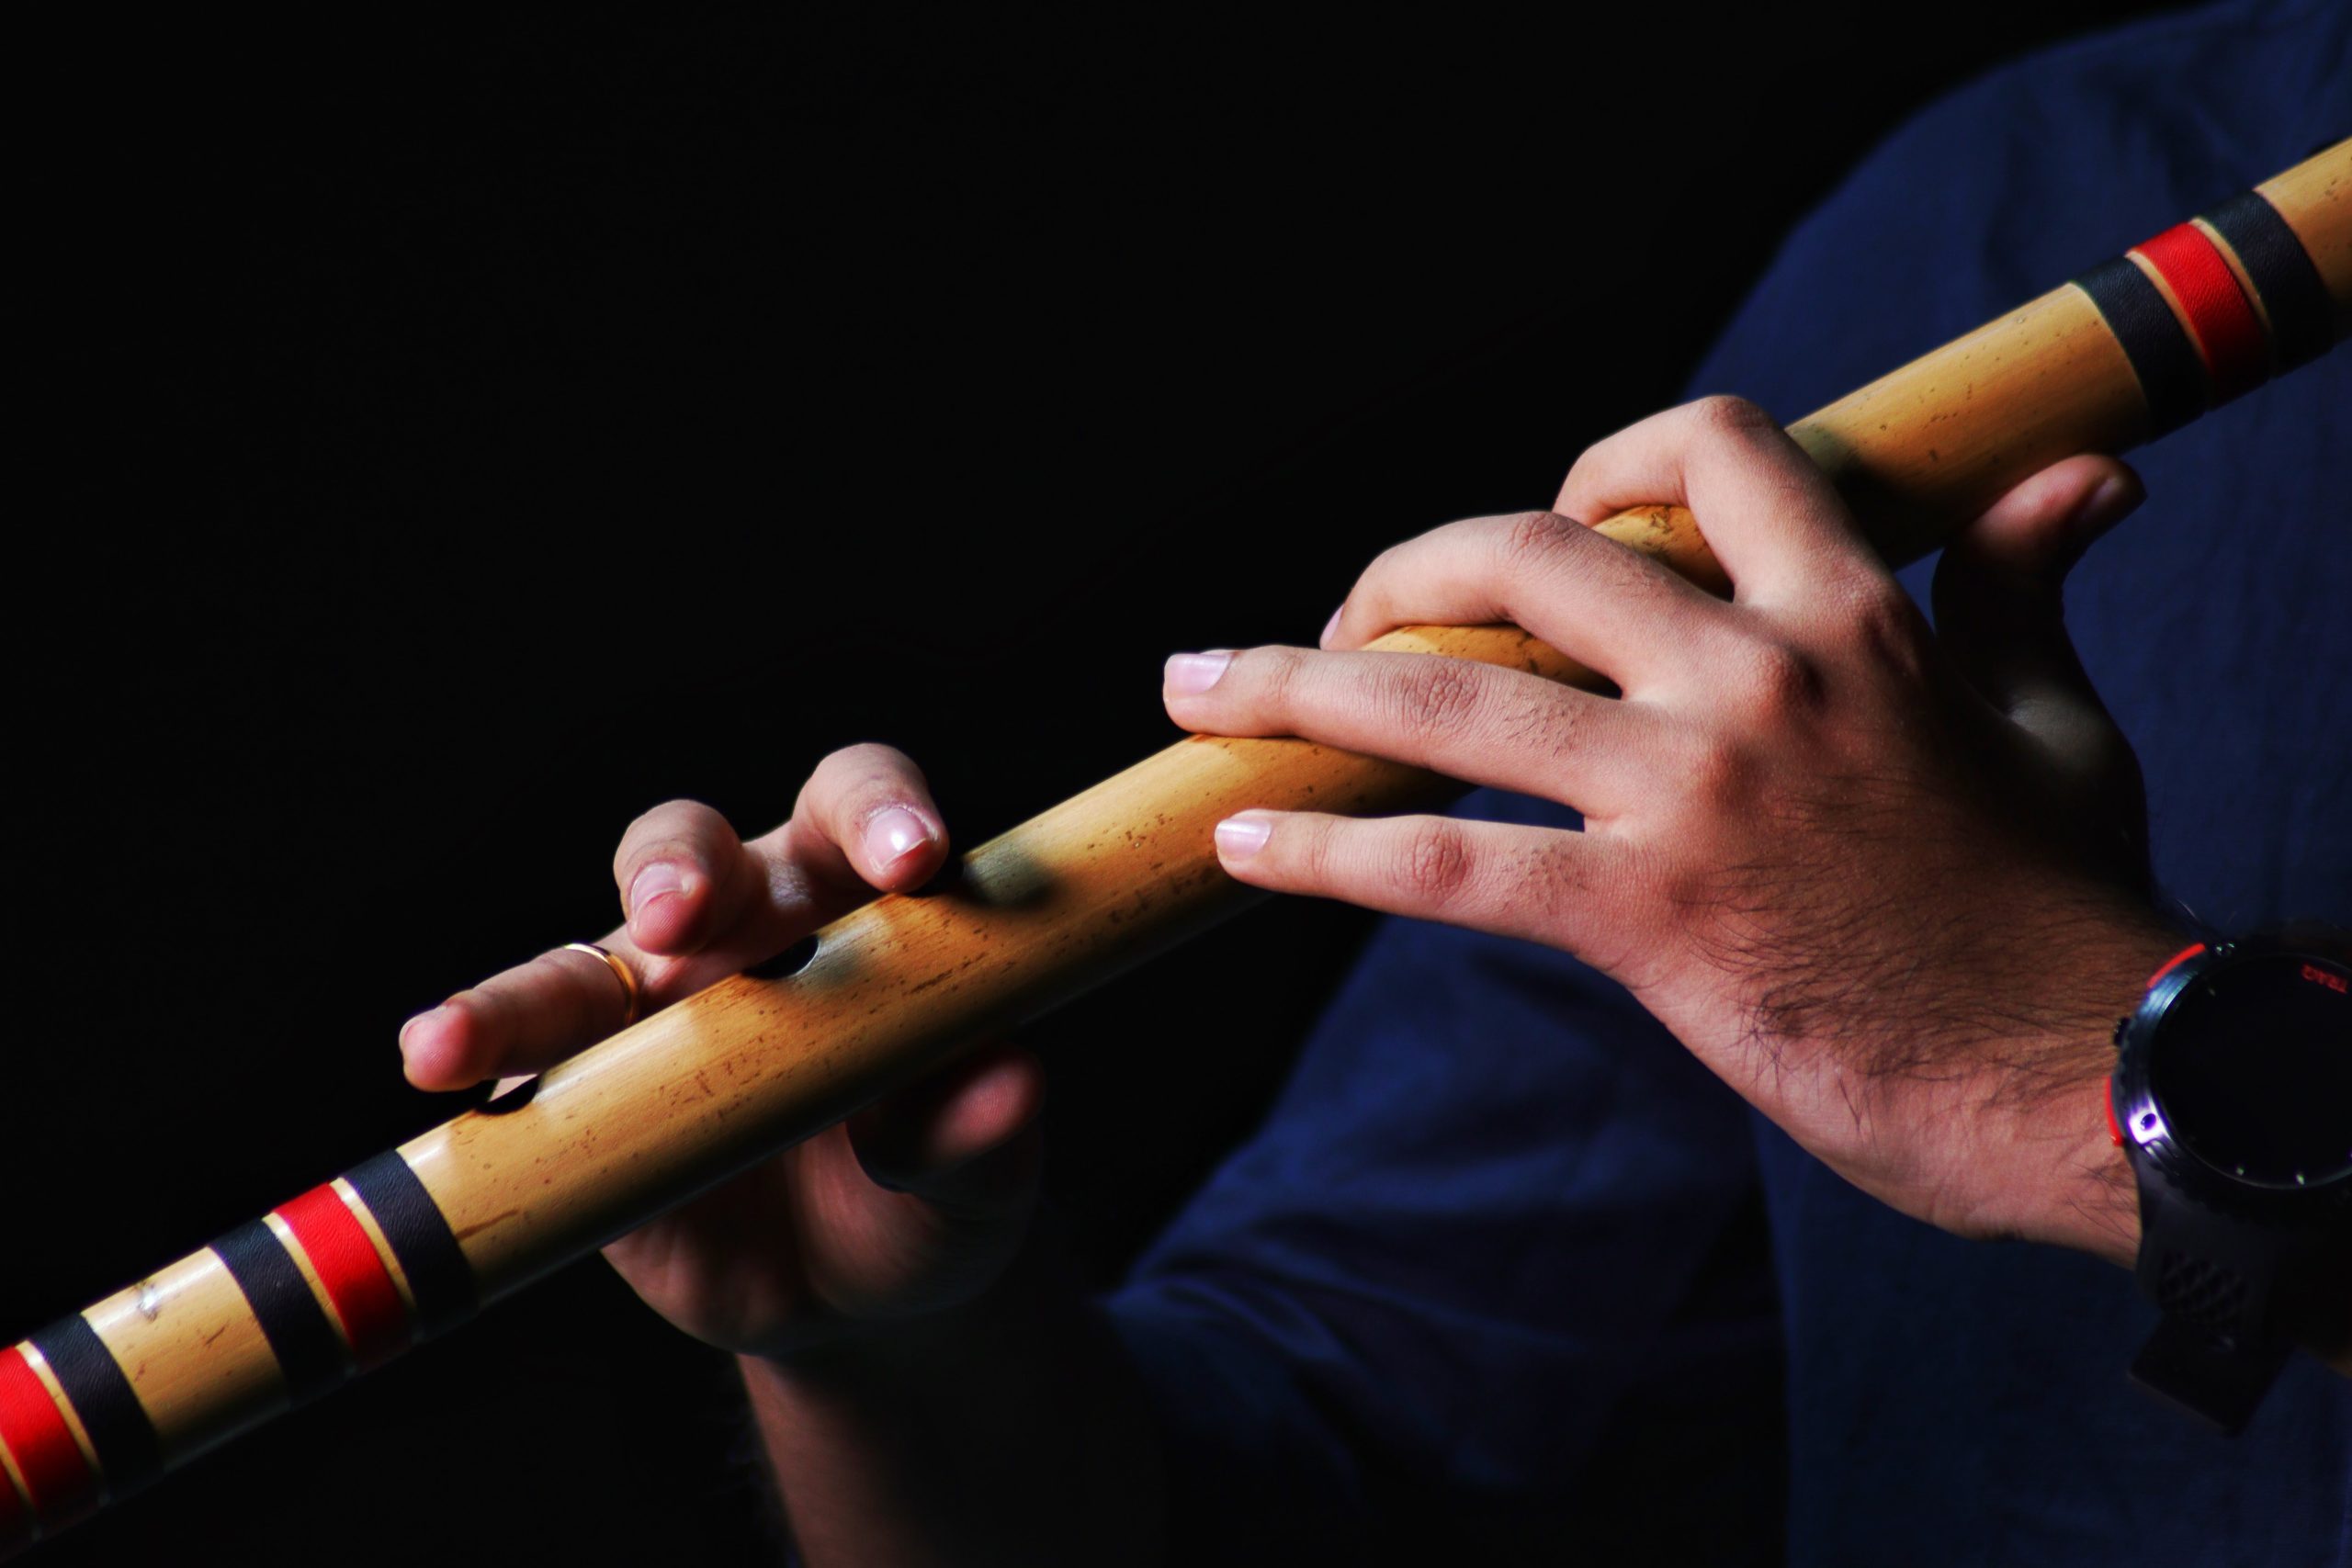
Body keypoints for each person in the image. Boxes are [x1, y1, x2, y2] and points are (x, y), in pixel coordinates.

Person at [394, 2, 2350, 1561]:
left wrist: (2049, 1065)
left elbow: (2017, 1047)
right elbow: (1334, 1438)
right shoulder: (2022, 210)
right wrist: (890, 1348)